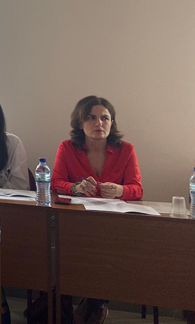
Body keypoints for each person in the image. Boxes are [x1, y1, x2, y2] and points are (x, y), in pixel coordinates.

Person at [52, 95, 143, 324]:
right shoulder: (67, 147)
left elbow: (137, 189)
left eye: (105, 118)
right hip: (77, 220)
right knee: (68, 247)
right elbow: (56, 182)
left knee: (105, 249)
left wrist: (120, 190)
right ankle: (84, 304)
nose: (98, 123)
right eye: (91, 117)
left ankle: (96, 304)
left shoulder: (126, 150)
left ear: (112, 123)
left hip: (113, 222)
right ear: (79, 122)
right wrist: (75, 187)